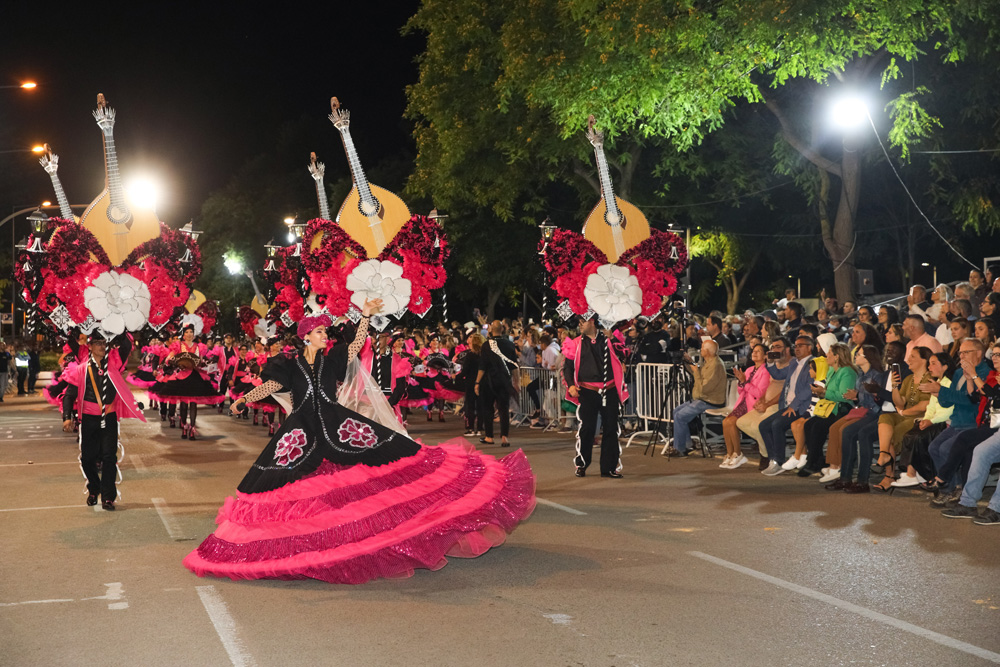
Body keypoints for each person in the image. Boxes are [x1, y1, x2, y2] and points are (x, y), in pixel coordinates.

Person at [183, 300, 535, 584]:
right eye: (319, 332)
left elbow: (354, 345)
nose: (325, 336)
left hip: (337, 424)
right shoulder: (288, 365)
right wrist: (245, 399)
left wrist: (364, 316)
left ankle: (360, 535)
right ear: (307, 337)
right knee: (295, 489)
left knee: (379, 467)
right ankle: (313, 541)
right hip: (302, 430)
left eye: (325, 331)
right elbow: (272, 386)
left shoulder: (333, 359)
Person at [60, 334, 146, 510]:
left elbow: (126, 346)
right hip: (88, 418)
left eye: (104, 343)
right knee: (87, 458)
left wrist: (121, 327)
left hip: (109, 417)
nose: (101, 346)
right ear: (90, 347)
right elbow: (69, 395)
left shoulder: (114, 366)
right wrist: (67, 417)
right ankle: (94, 489)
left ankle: (108, 497)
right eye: (97, 343)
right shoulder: (81, 369)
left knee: (109, 457)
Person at [918, 338, 990, 505]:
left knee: (945, 449)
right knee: (934, 447)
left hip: (971, 423)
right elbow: (947, 403)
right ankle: (949, 489)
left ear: (979, 353)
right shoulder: (958, 373)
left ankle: (956, 488)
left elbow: (971, 401)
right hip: (957, 421)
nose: (961, 356)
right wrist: (939, 394)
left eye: (966, 352)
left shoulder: (984, 373)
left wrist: (942, 391)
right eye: (960, 352)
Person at [563, 314, 628, 478]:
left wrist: (612, 338)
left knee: (611, 429)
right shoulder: (576, 343)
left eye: (582, 322)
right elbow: (567, 367)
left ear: (592, 322)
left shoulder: (608, 338)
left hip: (609, 389)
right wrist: (571, 385)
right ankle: (582, 464)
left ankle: (609, 467)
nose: (580, 325)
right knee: (587, 429)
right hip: (587, 391)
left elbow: (624, 354)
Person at [822, 345, 885, 487]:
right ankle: (843, 475)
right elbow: (859, 398)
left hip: (873, 412)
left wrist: (857, 395)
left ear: (868, 358)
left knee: (849, 431)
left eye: (859, 354)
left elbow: (877, 400)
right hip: (861, 411)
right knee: (837, 428)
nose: (855, 356)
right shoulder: (861, 374)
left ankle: (855, 478)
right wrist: (856, 397)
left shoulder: (876, 375)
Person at [148, 325, 224, 440]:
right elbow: (169, 359)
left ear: (194, 334)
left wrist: (204, 363)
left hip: (195, 377)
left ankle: (192, 427)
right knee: (183, 405)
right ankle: (184, 426)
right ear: (183, 335)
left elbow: (201, 360)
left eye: (191, 332)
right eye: (187, 332)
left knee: (193, 403)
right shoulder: (178, 345)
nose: (189, 334)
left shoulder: (199, 347)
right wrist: (175, 362)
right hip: (182, 377)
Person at [798, 343, 858, 476]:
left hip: (841, 409)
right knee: (808, 425)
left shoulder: (847, 372)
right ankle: (817, 459)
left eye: (829, 353)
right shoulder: (831, 370)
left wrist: (824, 392)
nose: (826, 355)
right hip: (829, 408)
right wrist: (821, 392)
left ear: (837, 356)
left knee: (817, 427)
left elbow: (844, 396)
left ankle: (812, 462)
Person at [760, 335, 814, 474]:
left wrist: (793, 406)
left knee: (777, 425)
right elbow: (778, 375)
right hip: (787, 405)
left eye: (800, 345)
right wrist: (770, 363)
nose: (797, 348)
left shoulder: (813, 363)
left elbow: (808, 389)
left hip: (801, 407)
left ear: (809, 347)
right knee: (764, 426)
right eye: (796, 346)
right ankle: (773, 459)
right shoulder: (794, 362)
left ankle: (778, 461)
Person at [667, 339, 727, 458]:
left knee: (680, 416)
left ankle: (680, 449)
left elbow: (705, 387)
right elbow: (698, 372)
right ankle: (687, 444)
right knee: (676, 411)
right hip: (702, 398)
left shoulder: (716, 365)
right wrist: (689, 362)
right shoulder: (708, 362)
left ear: (708, 351)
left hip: (710, 400)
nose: (700, 350)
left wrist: (696, 372)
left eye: (703, 348)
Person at [737, 338, 789, 469]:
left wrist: (767, 403)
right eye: (773, 347)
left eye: (778, 347)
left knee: (758, 426)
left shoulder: (791, 365)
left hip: (778, 404)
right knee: (741, 422)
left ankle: (766, 455)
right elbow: (769, 387)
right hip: (765, 402)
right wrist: (762, 400)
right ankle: (769, 448)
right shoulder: (774, 365)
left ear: (787, 349)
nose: (774, 350)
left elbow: (785, 391)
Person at [720, 343, 769, 469]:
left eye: (758, 351)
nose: (754, 353)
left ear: (765, 356)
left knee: (731, 422)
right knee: (725, 422)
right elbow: (741, 390)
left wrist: (744, 382)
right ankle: (730, 454)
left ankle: (738, 453)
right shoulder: (749, 369)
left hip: (753, 405)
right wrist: (742, 382)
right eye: (753, 351)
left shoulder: (766, 371)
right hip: (743, 402)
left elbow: (759, 393)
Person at [477, 320, 519, 447]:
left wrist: (477, 382)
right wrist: (516, 382)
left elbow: (482, 366)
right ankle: (504, 437)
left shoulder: (486, 345)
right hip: (504, 381)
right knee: (504, 409)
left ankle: (489, 436)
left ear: (491, 330)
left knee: (488, 408)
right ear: (502, 330)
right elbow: (514, 365)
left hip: (489, 381)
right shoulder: (509, 345)